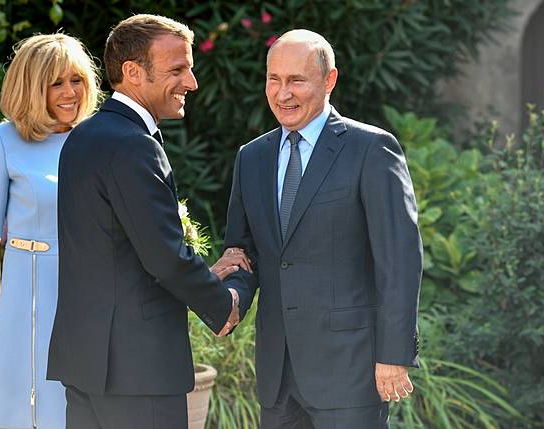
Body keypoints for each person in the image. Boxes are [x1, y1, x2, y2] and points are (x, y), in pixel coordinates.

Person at [47, 14, 251, 429]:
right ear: (133, 72)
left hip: (87, 361)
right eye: (177, 70)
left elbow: (116, 251)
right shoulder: (134, 145)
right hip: (138, 371)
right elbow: (163, 257)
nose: (191, 82)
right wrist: (221, 304)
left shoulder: (82, 137)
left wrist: (206, 273)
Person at [224, 29, 423, 428]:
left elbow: (399, 259)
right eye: (274, 80)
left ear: (329, 80)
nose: (283, 94)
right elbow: (243, 253)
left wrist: (393, 354)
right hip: (278, 374)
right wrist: (229, 301)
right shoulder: (252, 157)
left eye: (296, 80)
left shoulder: (371, 149)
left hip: (350, 371)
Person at [0, 33, 101, 429]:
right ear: (32, 87)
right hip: (27, 289)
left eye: (76, 80)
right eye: (55, 83)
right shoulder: (2, 140)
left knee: (79, 404)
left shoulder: (98, 138)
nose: (70, 92)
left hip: (89, 288)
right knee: (23, 406)